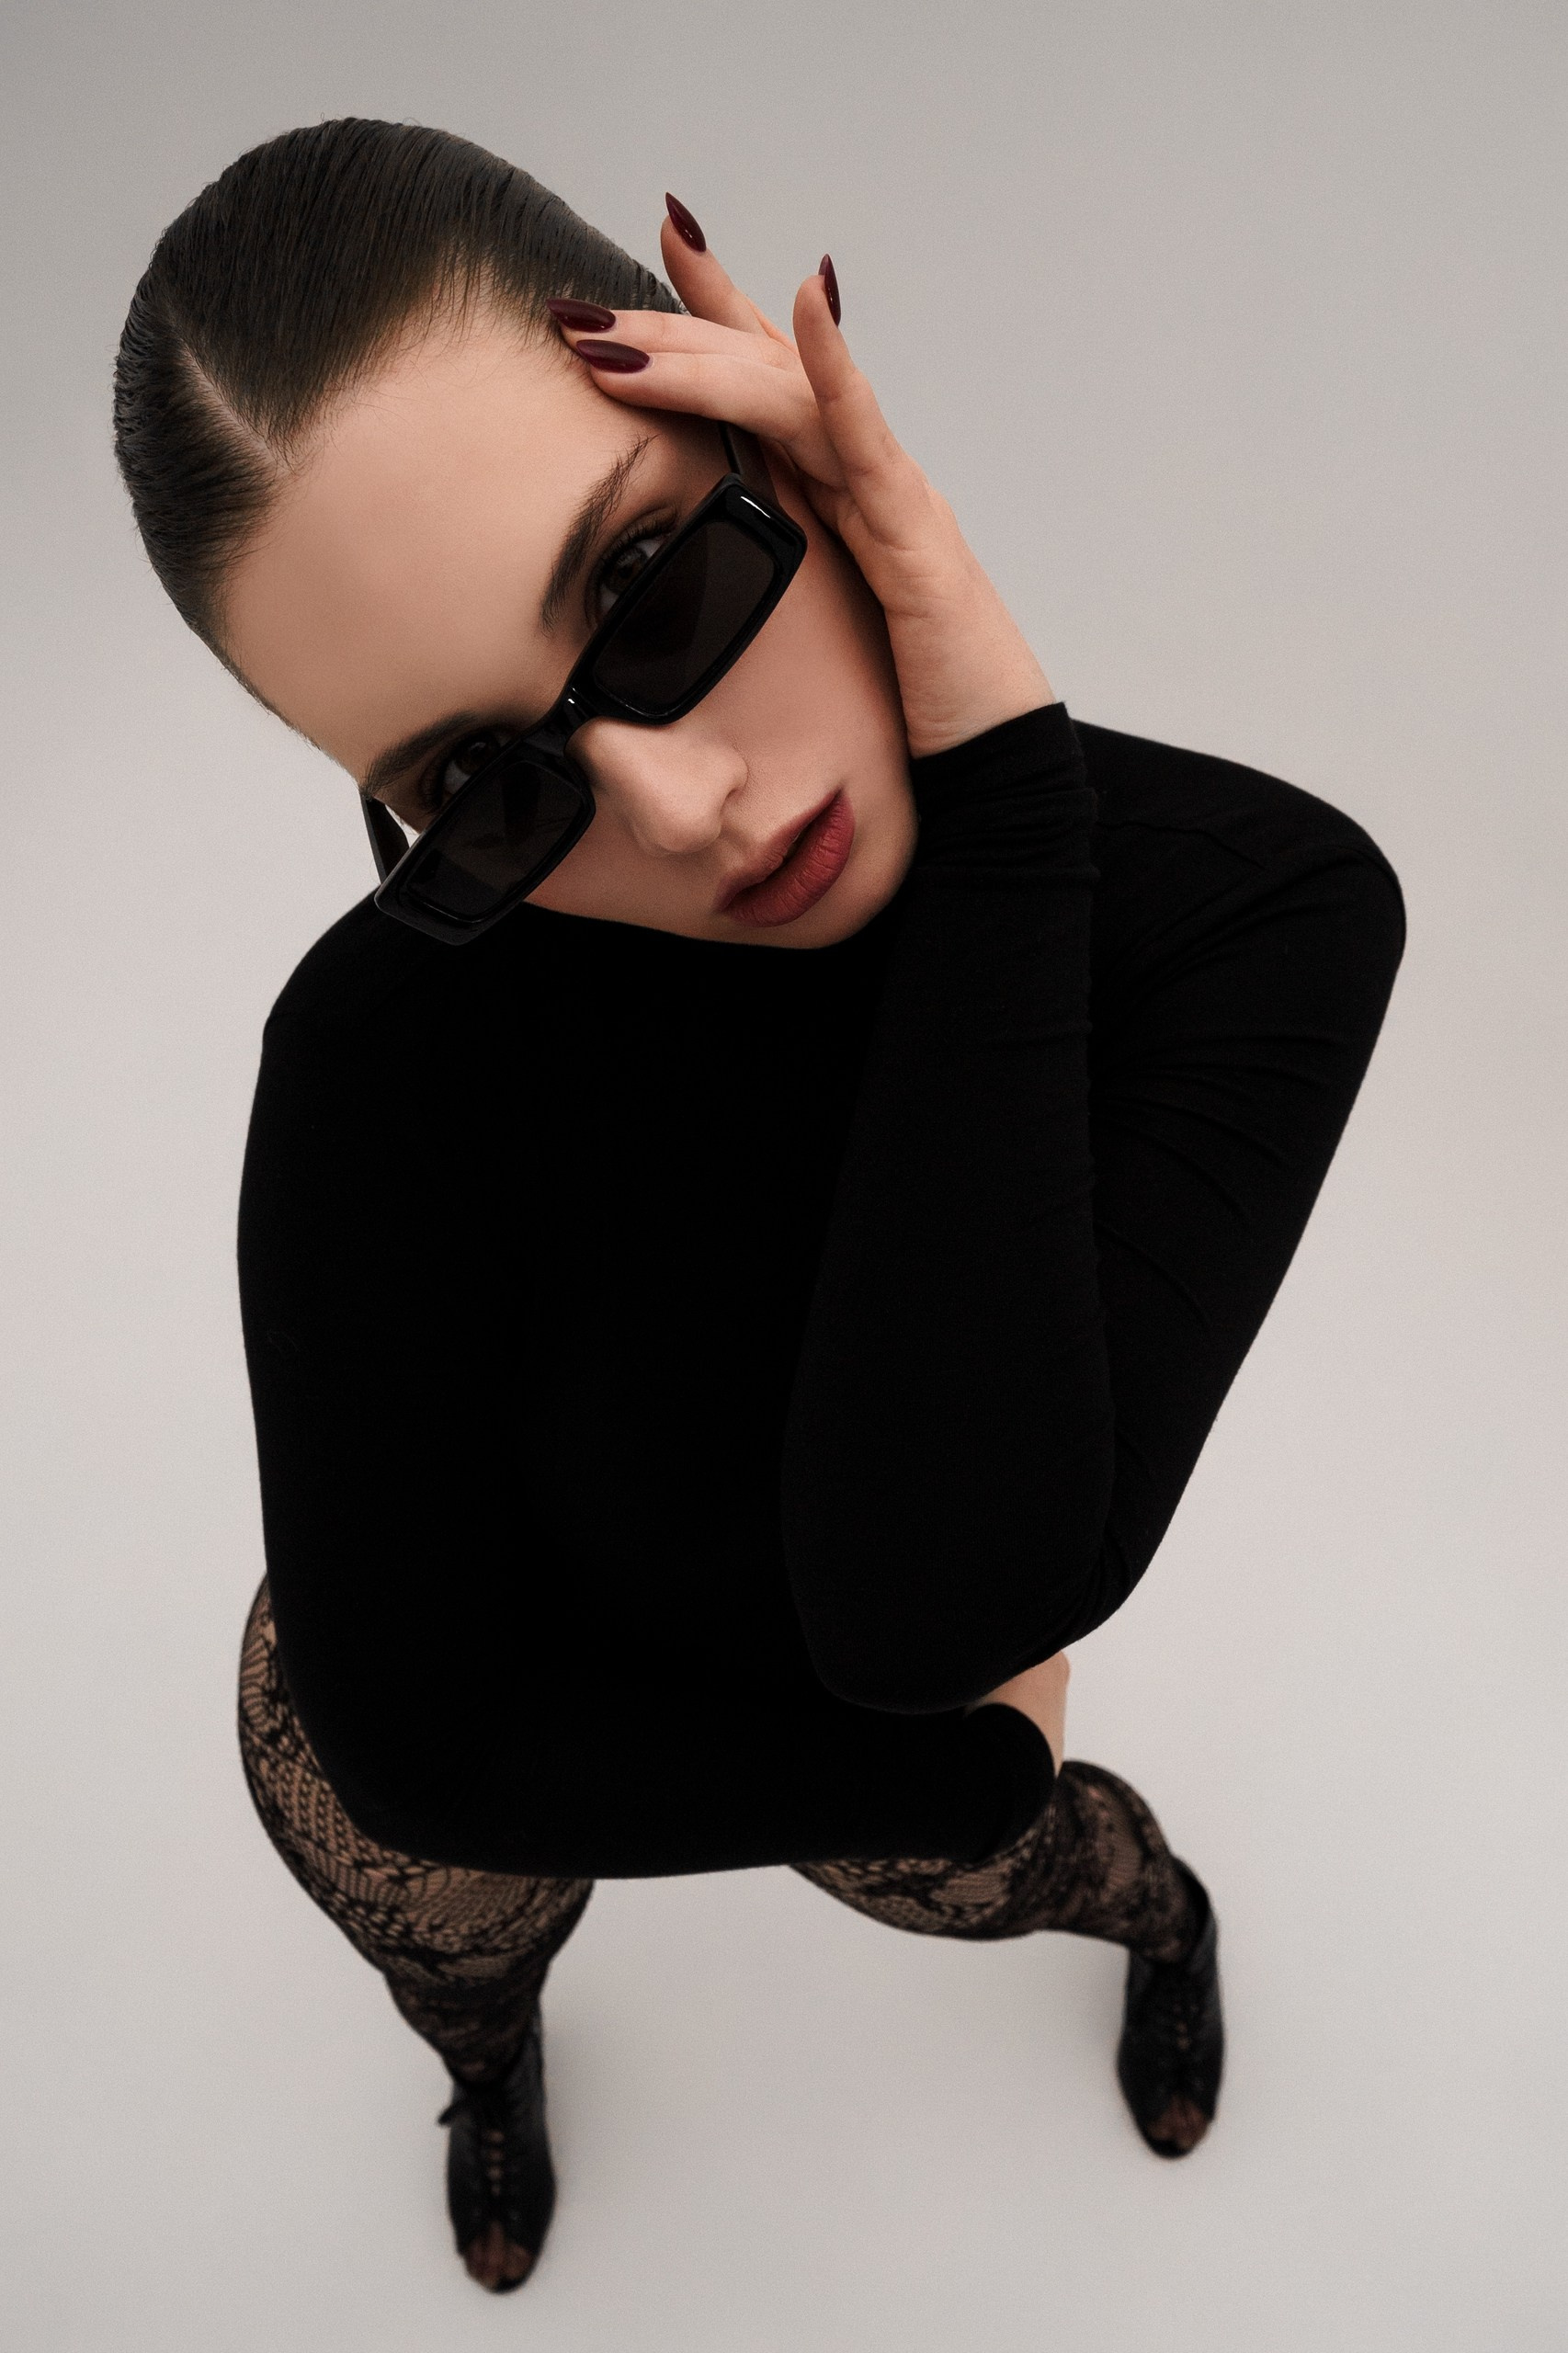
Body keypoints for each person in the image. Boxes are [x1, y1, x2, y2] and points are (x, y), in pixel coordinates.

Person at [112, 119, 1405, 2295]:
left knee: (1031, 1859)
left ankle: (1160, 1916)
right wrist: (938, 1763)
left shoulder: (1253, 908)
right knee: (441, 1933)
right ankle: (490, 2058)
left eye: (653, 588)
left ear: (771, 434)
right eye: (477, 787)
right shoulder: (371, 1036)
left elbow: (932, 1605)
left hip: (860, 1703)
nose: (688, 803)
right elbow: (418, 1738)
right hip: (534, 1709)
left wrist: (1007, 791)